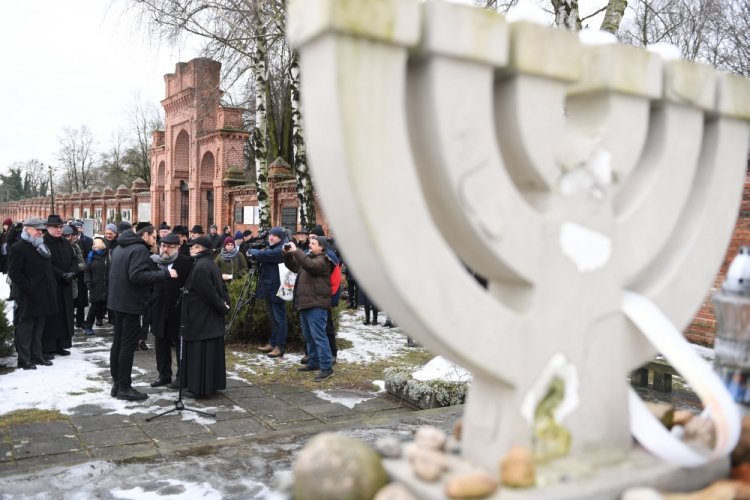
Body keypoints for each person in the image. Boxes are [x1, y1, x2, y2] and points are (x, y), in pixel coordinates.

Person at [108, 224, 177, 401]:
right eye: (154, 237)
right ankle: (124, 386)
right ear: (145, 235)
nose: (156, 241)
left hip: (117, 301)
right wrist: (165, 275)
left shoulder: (119, 246)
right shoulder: (139, 249)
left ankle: (117, 384)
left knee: (118, 344)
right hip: (131, 303)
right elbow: (136, 276)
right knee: (127, 346)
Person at [283, 236, 336, 382]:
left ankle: (327, 368)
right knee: (309, 337)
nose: (310, 245)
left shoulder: (324, 260)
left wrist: (297, 251)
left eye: (313, 243)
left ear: (322, 247)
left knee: (319, 336)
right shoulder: (308, 259)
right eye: (310, 243)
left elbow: (311, 266)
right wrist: (287, 254)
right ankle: (314, 363)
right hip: (306, 303)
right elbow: (294, 266)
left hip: (317, 305)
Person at [182, 236, 230, 398]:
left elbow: (209, 293)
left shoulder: (202, 266)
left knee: (202, 354)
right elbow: (222, 288)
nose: (190, 250)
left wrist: (222, 305)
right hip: (210, 318)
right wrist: (225, 304)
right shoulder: (209, 263)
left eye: (193, 247)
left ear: (201, 249)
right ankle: (210, 385)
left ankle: (200, 388)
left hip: (202, 318)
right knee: (209, 354)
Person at [8, 217, 57, 370]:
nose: (40, 232)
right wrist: (29, 287)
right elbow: (15, 273)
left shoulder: (41, 246)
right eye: (37, 229)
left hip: (43, 293)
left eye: (41, 230)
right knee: (26, 327)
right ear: (27, 229)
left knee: (39, 326)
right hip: (28, 295)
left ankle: (37, 355)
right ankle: (24, 359)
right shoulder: (18, 248)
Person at [149, 233, 191, 388]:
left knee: (180, 343)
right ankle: (164, 375)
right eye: (163, 246)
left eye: (169, 247)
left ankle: (181, 377)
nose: (165, 250)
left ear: (176, 248)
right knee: (160, 343)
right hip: (159, 307)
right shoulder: (154, 262)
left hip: (177, 308)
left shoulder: (186, 262)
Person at [247, 227, 288, 358]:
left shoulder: (280, 249)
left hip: (277, 289)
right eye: (270, 235)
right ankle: (273, 342)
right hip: (269, 288)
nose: (271, 238)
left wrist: (251, 250)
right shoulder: (273, 247)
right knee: (272, 318)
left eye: (274, 236)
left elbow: (264, 255)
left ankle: (280, 346)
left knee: (280, 319)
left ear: (280, 238)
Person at [41, 215, 78, 357]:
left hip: (66, 284)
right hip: (52, 285)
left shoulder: (65, 243)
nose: (59, 230)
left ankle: (62, 344)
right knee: (52, 317)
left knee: (65, 315)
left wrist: (72, 272)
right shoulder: (43, 243)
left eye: (61, 227)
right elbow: (47, 264)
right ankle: (48, 347)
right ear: (48, 227)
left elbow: (74, 260)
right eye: (55, 227)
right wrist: (61, 274)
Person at [83, 237, 110, 335]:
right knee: (94, 307)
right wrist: (87, 281)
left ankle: (117, 327)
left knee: (112, 308)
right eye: (93, 244)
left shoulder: (110, 255)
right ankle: (88, 326)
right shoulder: (91, 256)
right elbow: (87, 271)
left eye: (96, 244)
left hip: (109, 286)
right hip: (96, 286)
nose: (93, 246)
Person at [63, 225, 85, 323]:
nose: (68, 238)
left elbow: (82, 264)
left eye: (69, 236)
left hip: (73, 279)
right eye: (65, 236)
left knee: (74, 304)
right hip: (60, 279)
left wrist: (73, 270)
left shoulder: (75, 247)